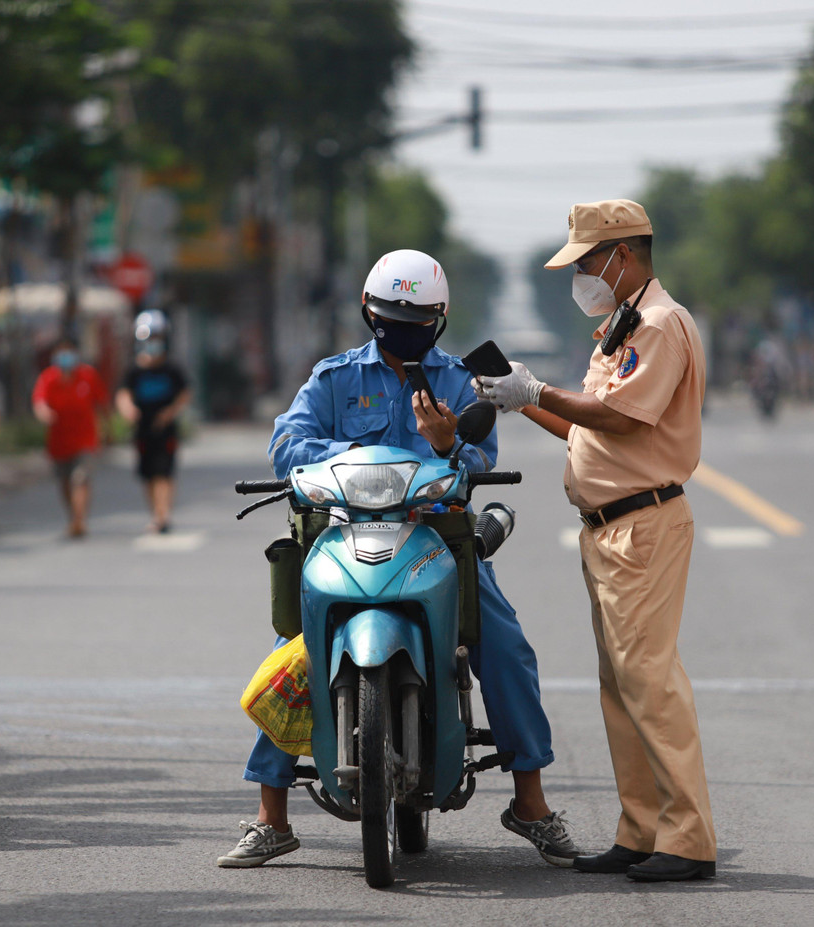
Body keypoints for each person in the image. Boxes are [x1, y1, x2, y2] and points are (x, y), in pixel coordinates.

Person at [217, 249, 581, 869]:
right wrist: (346, 457)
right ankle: (270, 817)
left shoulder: (458, 381)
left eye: (419, 318)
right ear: (368, 312)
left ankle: (531, 802)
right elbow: (287, 443)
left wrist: (449, 443)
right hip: (343, 537)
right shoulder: (333, 378)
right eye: (393, 317)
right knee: (296, 652)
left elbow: (480, 457)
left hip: (436, 539)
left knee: (505, 646)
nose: (405, 327)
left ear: (440, 317)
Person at [474, 200, 716, 882]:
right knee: (622, 688)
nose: (581, 276)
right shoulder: (622, 327)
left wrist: (537, 388)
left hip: (642, 524)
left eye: (586, 262)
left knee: (651, 684)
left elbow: (621, 417)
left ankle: (688, 838)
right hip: (609, 528)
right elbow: (589, 427)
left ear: (623, 255)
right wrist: (523, 400)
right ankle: (641, 829)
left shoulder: (660, 325)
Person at [115, 310, 190, 534]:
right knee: (148, 475)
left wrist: (169, 413)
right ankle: (156, 514)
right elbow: (123, 394)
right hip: (143, 430)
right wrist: (128, 410)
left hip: (165, 430)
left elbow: (184, 393)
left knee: (164, 472)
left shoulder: (172, 369)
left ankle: (163, 515)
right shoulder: (134, 370)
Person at [32, 335, 109, 539]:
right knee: (65, 481)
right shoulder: (48, 378)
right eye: (61, 351)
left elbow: (102, 404)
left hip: (85, 440)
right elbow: (39, 402)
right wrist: (45, 414)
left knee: (81, 478)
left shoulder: (88, 376)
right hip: (59, 442)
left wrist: (108, 431)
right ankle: (73, 517)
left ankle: (79, 520)